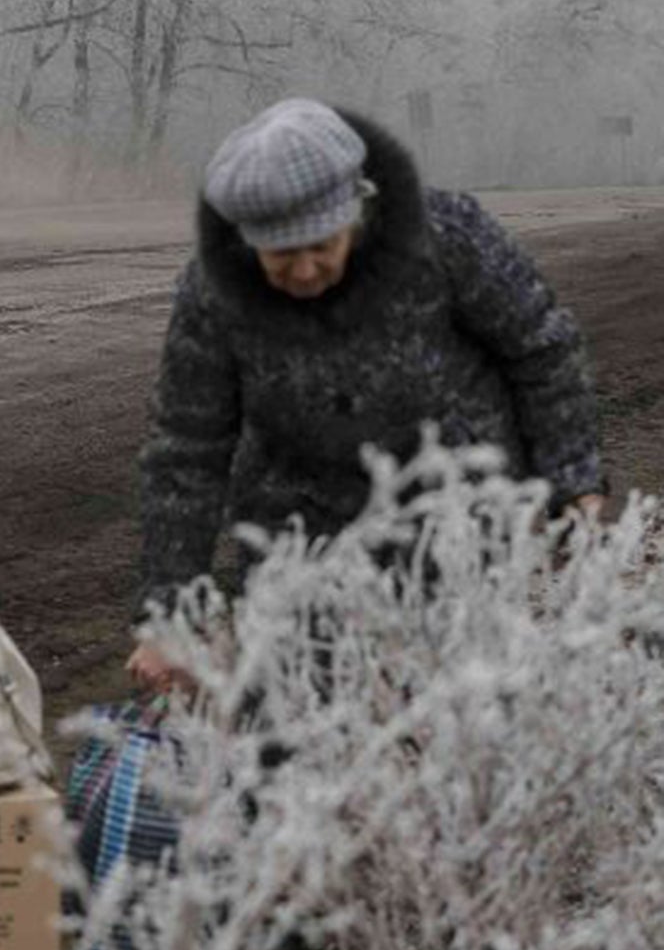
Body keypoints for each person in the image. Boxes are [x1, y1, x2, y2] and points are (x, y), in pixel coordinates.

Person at [129, 98, 606, 692]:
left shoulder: (445, 238)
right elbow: (187, 452)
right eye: (280, 255)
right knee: (307, 747)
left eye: (322, 245)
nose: (304, 271)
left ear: (358, 209)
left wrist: (573, 479)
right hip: (299, 553)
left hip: (461, 536)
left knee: (460, 736)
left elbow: (542, 348)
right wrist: (169, 612)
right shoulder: (212, 295)